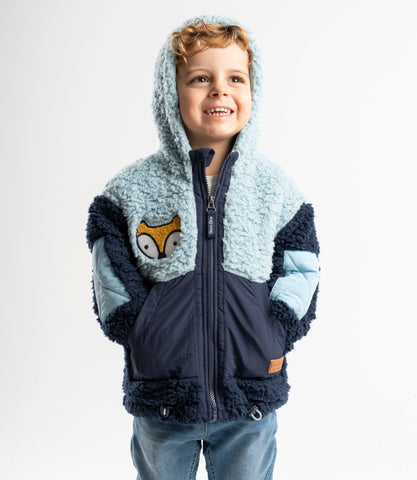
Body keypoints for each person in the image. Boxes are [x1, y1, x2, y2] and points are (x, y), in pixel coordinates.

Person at [86, 15, 320, 480]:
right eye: (200, 79)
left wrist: (275, 327)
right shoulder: (131, 190)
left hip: (250, 393)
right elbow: (109, 266)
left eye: (235, 78)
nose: (219, 91)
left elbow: (301, 268)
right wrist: (139, 328)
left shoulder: (274, 189)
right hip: (163, 393)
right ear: (169, 93)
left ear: (253, 90)